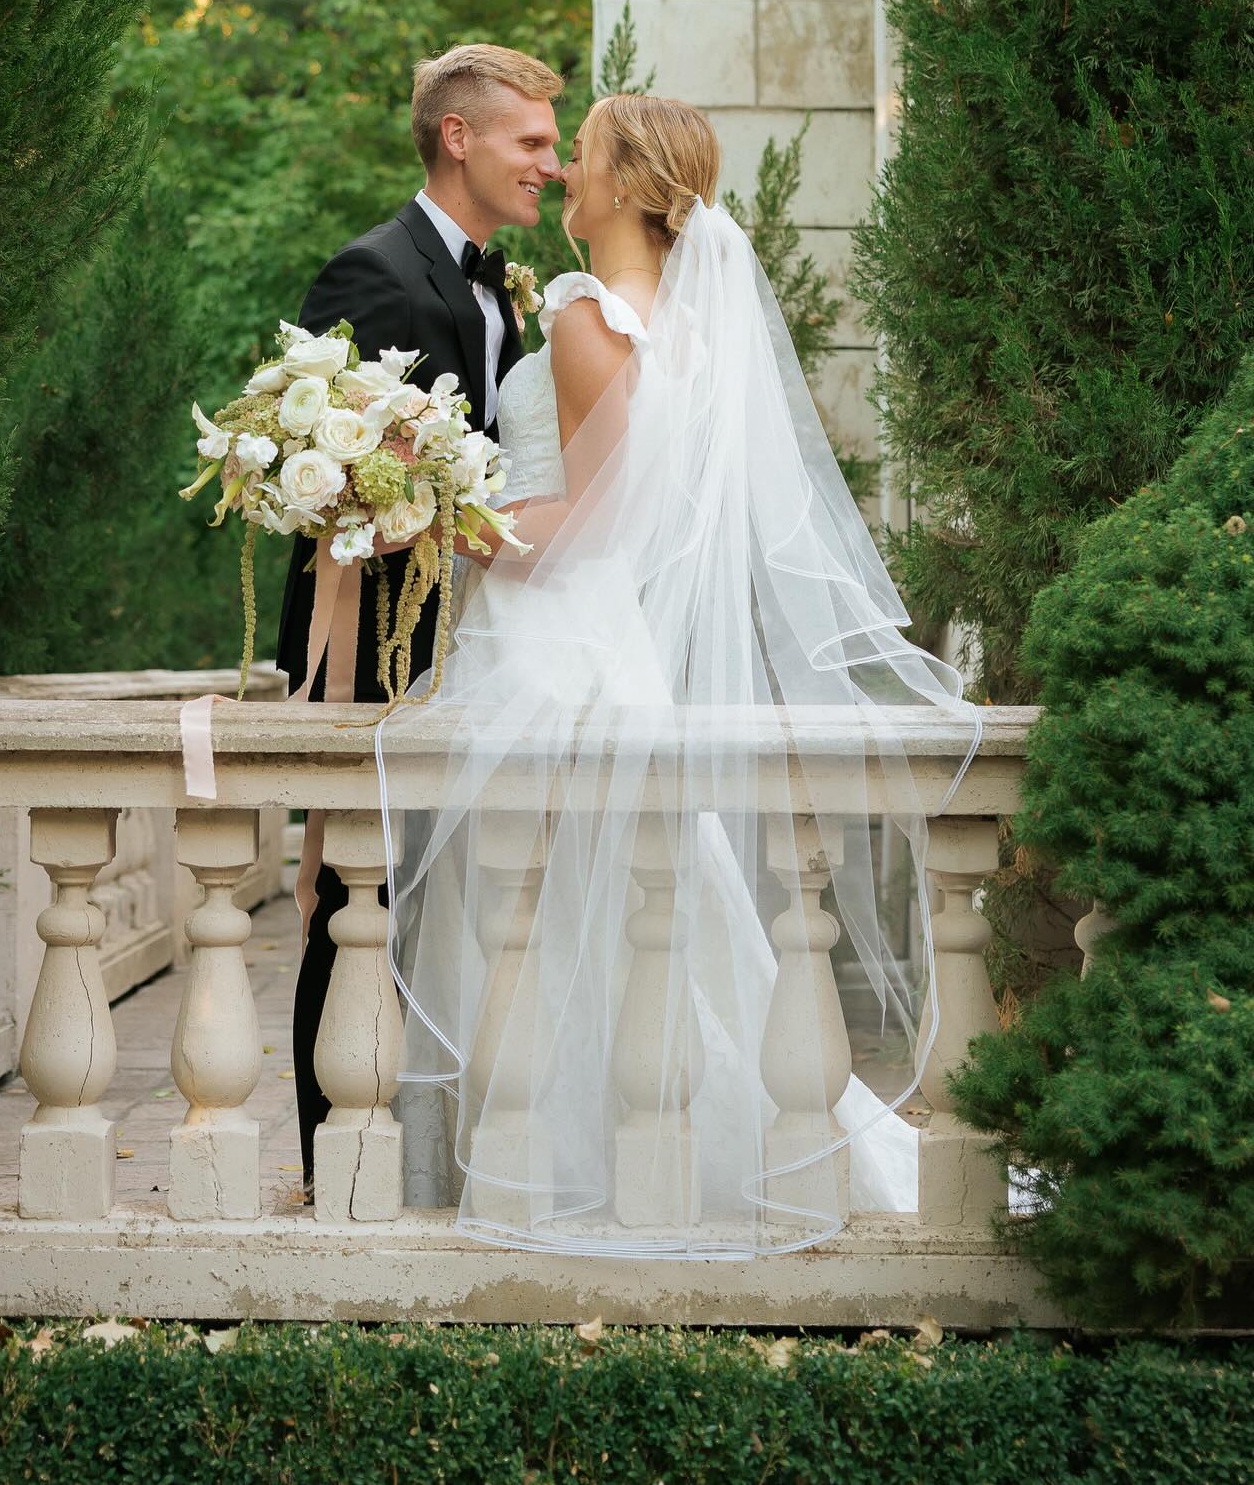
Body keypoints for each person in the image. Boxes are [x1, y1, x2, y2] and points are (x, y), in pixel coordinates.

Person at [376, 95, 982, 1256]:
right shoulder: (681, 329)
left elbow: (577, 527)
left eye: (584, 157)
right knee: (632, 914)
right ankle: (630, 1149)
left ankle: (584, 1164)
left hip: (559, 637)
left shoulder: (592, 319)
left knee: (556, 912)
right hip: (604, 638)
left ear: (628, 186)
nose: (566, 179)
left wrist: (432, 507)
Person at [277, 41, 564, 1192]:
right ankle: (329, 1165)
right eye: (532, 140)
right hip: (380, 647)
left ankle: (420, 1153)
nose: (551, 161)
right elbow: (323, 474)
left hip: (476, 641)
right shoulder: (374, 273)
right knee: (354, 899)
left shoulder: (496, 282)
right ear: (460, 136)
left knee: (441, 912)